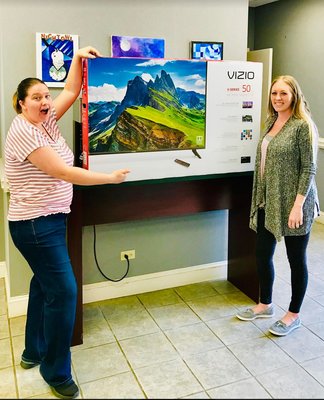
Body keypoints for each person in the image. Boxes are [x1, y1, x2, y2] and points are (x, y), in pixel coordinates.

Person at [4, 46, 130, 399]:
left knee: (45, 286)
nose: (45, 101)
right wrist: (109, 178)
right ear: (21, 103)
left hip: (48, 221)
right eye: (36, 97)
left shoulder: (43, 121)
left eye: (46, 95)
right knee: (65, 291)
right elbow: (61, 171)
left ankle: (33, 351)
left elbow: (72, 91)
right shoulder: (25, 131)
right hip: (35, 226)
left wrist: (76, 59)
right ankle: (56, 370)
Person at [236, 75, 319, 336]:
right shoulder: (272, 121)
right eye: (274, 93)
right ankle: (265, 304)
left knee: (296, 260)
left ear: (294, 95)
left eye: (283, 93)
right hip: (268, 201)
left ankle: (293, 314)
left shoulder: (302, 125)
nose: (278, 98)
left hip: (295, 204)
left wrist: (297, 206)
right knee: (262, 254)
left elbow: (309, 168)